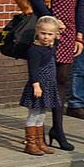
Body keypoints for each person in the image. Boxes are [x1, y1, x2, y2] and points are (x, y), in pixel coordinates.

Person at [28, 0, 84, 151]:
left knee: (62, 80)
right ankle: (36, 134)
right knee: (44, 80)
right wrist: (50, 19)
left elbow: (79, 3)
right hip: (48, 31)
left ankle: (58, 129)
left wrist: (79, 34)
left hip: (70, 30)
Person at [19, 16, 60, 155]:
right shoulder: (34, 50)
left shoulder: (50, 47)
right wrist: (36, 85)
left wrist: (60, 29)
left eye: (50, 34)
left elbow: (58, 41)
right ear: (37, 31)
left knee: (42, 113)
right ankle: (30, 143)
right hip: (38, 85)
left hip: (48, 85)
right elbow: (33, 70)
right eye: (43, 33)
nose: (46, 37)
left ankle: (39, 141)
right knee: (34, 113)